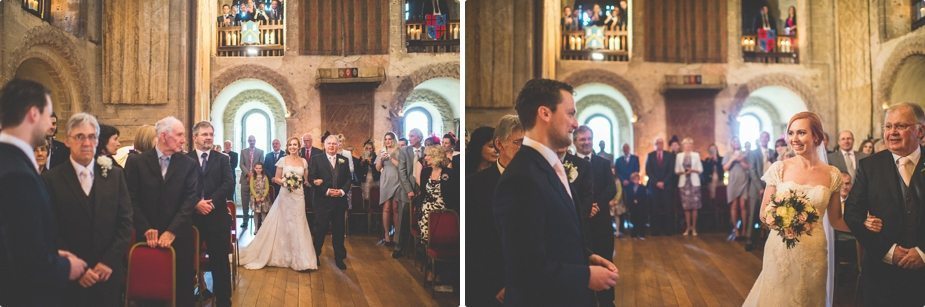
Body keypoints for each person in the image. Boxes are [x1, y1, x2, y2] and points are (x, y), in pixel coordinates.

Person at [493, 79, 618, 306]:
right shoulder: (522, 177)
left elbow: (552, 235)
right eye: (570, 113)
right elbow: (525, 268)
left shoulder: (548, 165)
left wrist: (585, 257)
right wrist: (586, 276)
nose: (575, 123)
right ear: (545, 113)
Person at [744, 112, 877, 307]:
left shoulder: (832, 174)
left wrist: (863, 227)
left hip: (814, 252)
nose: (794, 139)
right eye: (791, 133)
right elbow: (764, 213)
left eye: (801, 133)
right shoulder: (779, 168)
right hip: (781, 249)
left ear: (816, 136)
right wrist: (786, 220)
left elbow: (836, 220)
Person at [0, 79, 87, 306]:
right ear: (33, 114)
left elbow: (15, 239)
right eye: (49, 116)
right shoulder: (17, 174)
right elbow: (26, 263)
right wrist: (67, 267)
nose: (51, 124)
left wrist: (52, 254)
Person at [44, 112, 133, 307]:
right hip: (70, 275)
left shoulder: (115, 176)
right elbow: (50, 227)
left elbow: (125, 222)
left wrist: (108, 261)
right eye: (79, 137)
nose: (86, 142)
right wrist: (76, 268)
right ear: (67, 141)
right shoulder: (52, 179)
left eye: (92, 136)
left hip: (107, 273)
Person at [845, 103, 925, 306]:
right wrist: (888, 252)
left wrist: (923, 252)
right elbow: (852, 214)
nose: (892, 133)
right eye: (888, 127)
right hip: (881, 273)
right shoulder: (869, 166)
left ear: (920, 130)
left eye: (900, 126)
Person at [124, 116, 198, 305]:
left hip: (179, 238)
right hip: (146, 238)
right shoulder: (137, 163)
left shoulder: (188, 164)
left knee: (182, 293)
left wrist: (172, 231)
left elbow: (189, 200)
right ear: (164, 136)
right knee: (149, 293)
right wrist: (145, 228)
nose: (184, 139)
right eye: (180, 135)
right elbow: (130, 199)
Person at [466, 114, 522, 307]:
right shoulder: (475, 185)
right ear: (500, 144)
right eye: (519, 143)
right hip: (488, 282)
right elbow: (475, 240)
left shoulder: (539, 182)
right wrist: (497, 283)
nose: (525, 151)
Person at [240, 137, 317, 270]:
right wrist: (286, 182)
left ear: (299, 147)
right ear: (287, 147)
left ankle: (302, 259)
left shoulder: (303, 161)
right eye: (290, 145)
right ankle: (283, 254)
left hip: (298, 196)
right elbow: (276, 178)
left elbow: (305, 180)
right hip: (285, 196)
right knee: (284, 222)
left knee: (299, 222)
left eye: (295, 145)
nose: (293, 147)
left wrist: (314, 182)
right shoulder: (282, 160)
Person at [185, 121, 233, 307]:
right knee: (189, 262)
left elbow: (228, 184)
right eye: (204, 134)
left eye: (211, 134)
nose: (208, 137)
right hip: (193, 218)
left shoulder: (222, 159)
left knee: (220, 263)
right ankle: (188, 298)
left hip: (217, 218)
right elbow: (182, 187)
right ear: (195, 137)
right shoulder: (185, 159)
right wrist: (196, 203)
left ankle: (223, 301)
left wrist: (210, 203)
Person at [573, 125, 617, 307]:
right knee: (582, 262)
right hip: (580, 223)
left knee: (605, 258)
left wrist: (596, 204)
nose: (587, 142)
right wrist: (585, 207)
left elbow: (611, 188)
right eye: (582, 139)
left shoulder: (603, 163)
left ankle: (607, 301)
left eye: (589, 138)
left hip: (602, 222)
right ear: (575, 142)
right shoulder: (568, 164)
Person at [310, 135, 353, 270]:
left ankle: (339, 258)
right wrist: (327, 191)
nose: (332, 146)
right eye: (329, 143)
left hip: (339, 202)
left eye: (334, 144)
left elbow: (348, 179)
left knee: (339, 230)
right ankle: (315, 255)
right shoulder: (316, 159)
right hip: (323, 201)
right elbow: (312, 178)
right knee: (320, 229)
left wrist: (341, 191)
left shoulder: (344, 160)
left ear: (338, 145)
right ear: (324, 145)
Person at [393, 128, 424, 258]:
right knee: (403, 219)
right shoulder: (404, 151)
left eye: (412, 136)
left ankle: (418, 249)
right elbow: (402, 172)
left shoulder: (425, 150)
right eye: (409, 136)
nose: (409, 138)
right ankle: (398, 247)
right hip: (407, 189)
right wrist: (409, 190)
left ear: (419, 138)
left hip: (422, 189)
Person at [745, 132, 775, 250]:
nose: (764, 139)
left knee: (770, 214)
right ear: (759, 139)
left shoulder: (772, 152)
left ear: (768, 139)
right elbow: (752, 171)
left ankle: (768, 241)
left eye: (766, 137)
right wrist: (760, 188)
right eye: (762, 137)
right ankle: (749, 240)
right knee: (753, 214)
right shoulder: (753, 153)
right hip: (756, 188)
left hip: (771, 186)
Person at [645, 137, 676, 236]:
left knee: (668, 209)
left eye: (661, 143)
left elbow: (671, 171)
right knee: (655, 209)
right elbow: (648, 171)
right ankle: (655, 231)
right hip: (654, 187)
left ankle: (668, 230)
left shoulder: (669, 155)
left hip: (666, 187)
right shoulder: (650, 155)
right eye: (657, 143)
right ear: (655, 144)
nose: (659, 145)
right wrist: (656, 182)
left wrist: (664, 182)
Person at [377, 132, 401, 246]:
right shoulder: (381, 151)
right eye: (386, 139)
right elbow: (378, 168)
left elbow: (400, 166)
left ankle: (396, 235)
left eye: (390, 139)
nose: (388, 141)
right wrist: (381, 159)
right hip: (386, 179)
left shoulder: (399, 150)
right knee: (386, 208)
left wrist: (390, 157)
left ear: (393, 140)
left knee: (395, 207)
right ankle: (386, 234)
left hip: (397, 179)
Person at [675, 137, 703, 236]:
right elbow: (676, 171)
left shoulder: (696, 155)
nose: (687, 146)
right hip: (684, 183)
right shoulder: (679, 156)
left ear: (692, 145)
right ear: (683, 146)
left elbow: (700, 169)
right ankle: (687, 227)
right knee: (686, 208)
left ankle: (694, 228)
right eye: (686, 144)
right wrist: (684, 172)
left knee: (694, 207)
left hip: (694, 183)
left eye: (689, 144)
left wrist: (692, 170)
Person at [724, 137, 749, 240]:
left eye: (737, 141)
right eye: (734, 141)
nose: (736, 142)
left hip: (743, 181)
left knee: (743, 206)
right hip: (732, 182)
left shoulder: (745, 153)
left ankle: (744, 229)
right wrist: (733, 159)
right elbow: (725, 168)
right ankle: (736, 230)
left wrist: (741, 159)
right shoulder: (728, 154)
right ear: (731, 144)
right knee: (734, 206)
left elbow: (748, 167)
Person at [240, 135, 264, 229]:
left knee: (257, 200)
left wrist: (253, 175)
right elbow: (241, 164)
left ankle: (258, 222)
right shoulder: (243, 151)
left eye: (253, 140)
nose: (252, 142)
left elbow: (261, 164)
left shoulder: (260, 152)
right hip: (245, 179)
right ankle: (245, 221)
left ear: (255, 141)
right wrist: (248, 174)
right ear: (248, 141)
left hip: (257, 180)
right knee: (244, 201)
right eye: (250, 140)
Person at [299, 133, 323, 219]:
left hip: (314, 183)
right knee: (302, 205)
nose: (306, 142)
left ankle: (315, 226)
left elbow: (320, 168)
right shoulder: (299, 152)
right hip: (301, 182)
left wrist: (311, 181)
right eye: (304, 141)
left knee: (314, 205)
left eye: (307, 140)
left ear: (311, 141)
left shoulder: (319, 152)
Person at [624, 172, 648, 239]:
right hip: (632, 206)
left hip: (641, 206)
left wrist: (638, 200)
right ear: (632, 180)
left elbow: (644, 197)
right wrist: (633, 201)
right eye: (634, 179)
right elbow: (628, 197)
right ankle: (634, 234)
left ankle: (641, 234)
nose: (636, 181)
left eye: (637, 179)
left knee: (641, 220)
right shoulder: (629, 188)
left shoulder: (643, 187)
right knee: (634, 220)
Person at [357, 139, 379, 205]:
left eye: (370, 148)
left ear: (373, 149)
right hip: (365, 179)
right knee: (365, 195)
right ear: (364, 149)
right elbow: (358, 170)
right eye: (366, 148)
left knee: (375, 196)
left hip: (375, 179)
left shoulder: (376, 157)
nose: (368, 150)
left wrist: (370, 162)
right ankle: (366, 208)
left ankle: (373, 207)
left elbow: (377, 169)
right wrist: (362, 162)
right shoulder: (361, 158)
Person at [250, 162, 271, 231]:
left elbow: (267, 187)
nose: (258, 170)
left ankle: (263, 229)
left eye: (260, 168)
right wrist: (256, 197)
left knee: (263, 213)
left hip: (263, 198)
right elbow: (251, 187)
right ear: (254, 168)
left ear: (262, 169)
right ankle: (256, 228)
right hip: (255, 198)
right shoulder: (253, 177)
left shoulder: (265, 177)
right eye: (257, 168)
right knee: (256, 213)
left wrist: (263, 196)